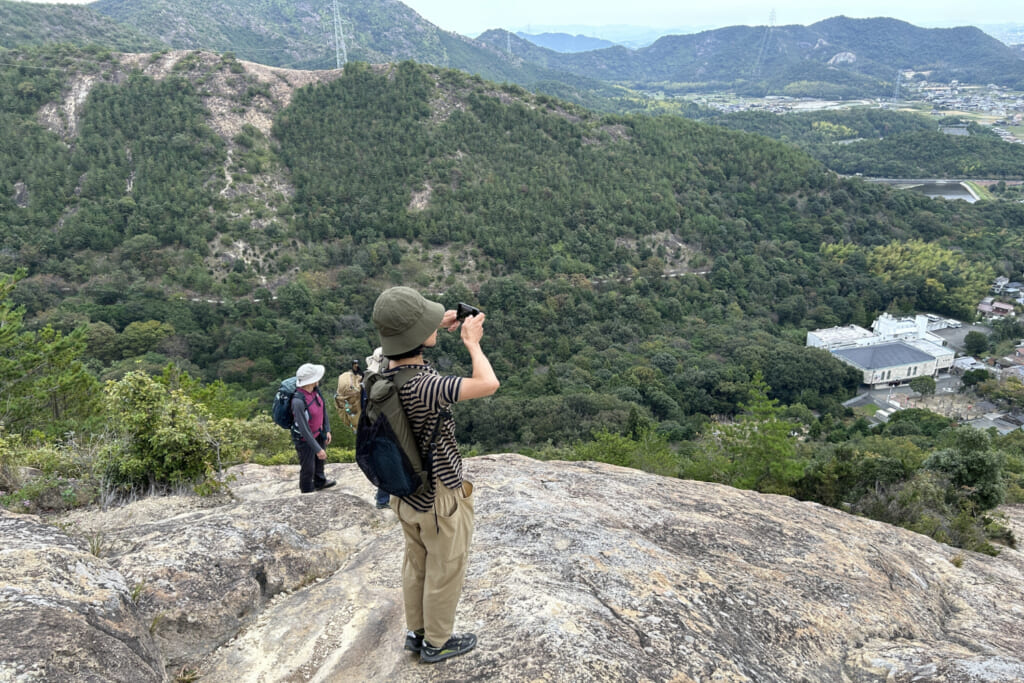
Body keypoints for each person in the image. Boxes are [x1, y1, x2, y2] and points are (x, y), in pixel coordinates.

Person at [371, 286, 499, 664]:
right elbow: (488, 384)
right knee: (445, 569)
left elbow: (394, 351)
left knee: (417, 563)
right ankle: (437, 643)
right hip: (439, 494)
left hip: (404, 492)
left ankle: (417, 632)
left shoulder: (380, 374)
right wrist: (472, 343)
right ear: (414, 337)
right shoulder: (426, 386)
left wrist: (427, 326)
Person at [292, 363, 335, 493]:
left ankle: (320, 482)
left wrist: (327, 429)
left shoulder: (315, 391)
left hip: (318, 432)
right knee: (308, 468)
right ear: (311, 381)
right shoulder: (298, 401)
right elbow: (304, 429)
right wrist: (317, 449)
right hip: (304, 439)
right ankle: (306, 491)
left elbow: (323, 409)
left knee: (319, 463)